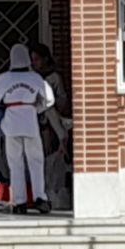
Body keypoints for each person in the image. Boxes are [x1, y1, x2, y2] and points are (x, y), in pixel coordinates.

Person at [0, 46, 54, 215]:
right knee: (36, 162)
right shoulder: (35, 77)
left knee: (15, 163)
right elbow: (49, 99)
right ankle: (41, 198)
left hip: (11, 124)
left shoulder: (5, 78)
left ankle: (19, 202)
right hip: (30, 123)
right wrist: (35, 109)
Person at [32, 43, 73, 206]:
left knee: (53, 158)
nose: (34, 63)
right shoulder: (31, 78)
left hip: (52, 122)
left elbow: (62, 99)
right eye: (32, 60)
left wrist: (54, 110)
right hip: (35, 123)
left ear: (45, 59)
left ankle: (53, 194)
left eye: (36, 59)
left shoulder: (54, 78)